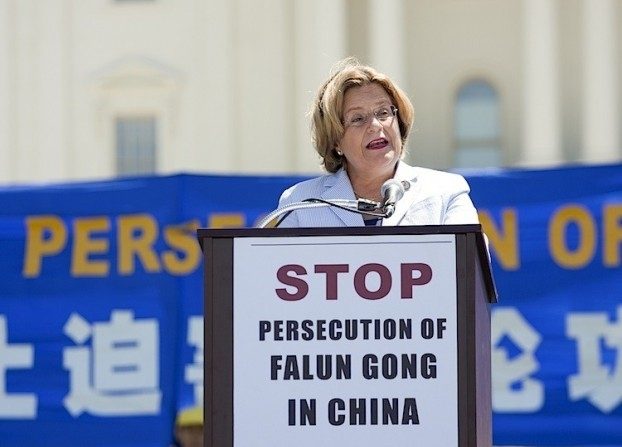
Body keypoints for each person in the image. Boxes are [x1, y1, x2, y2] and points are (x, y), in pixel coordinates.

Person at [276, 57, 479, 227]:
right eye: (357, 119)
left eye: (383, 113)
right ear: (335, 140)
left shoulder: (445, 192)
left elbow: (469, 266)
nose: (375, 125)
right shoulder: (300, 204)